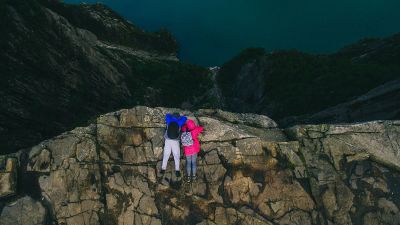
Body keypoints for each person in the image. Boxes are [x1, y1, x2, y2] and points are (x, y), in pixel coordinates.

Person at [161, 112, 187, 178]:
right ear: (178, 117)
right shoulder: (179, 122)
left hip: (168, 140)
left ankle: (163, 169)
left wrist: (171, 115)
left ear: (172, 116)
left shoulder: (169, 120)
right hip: (175, 141)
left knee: (166, 154)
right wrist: (181, 117)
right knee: (176, 156)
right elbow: (185, 118)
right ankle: (177, 170)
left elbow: (167, 115)